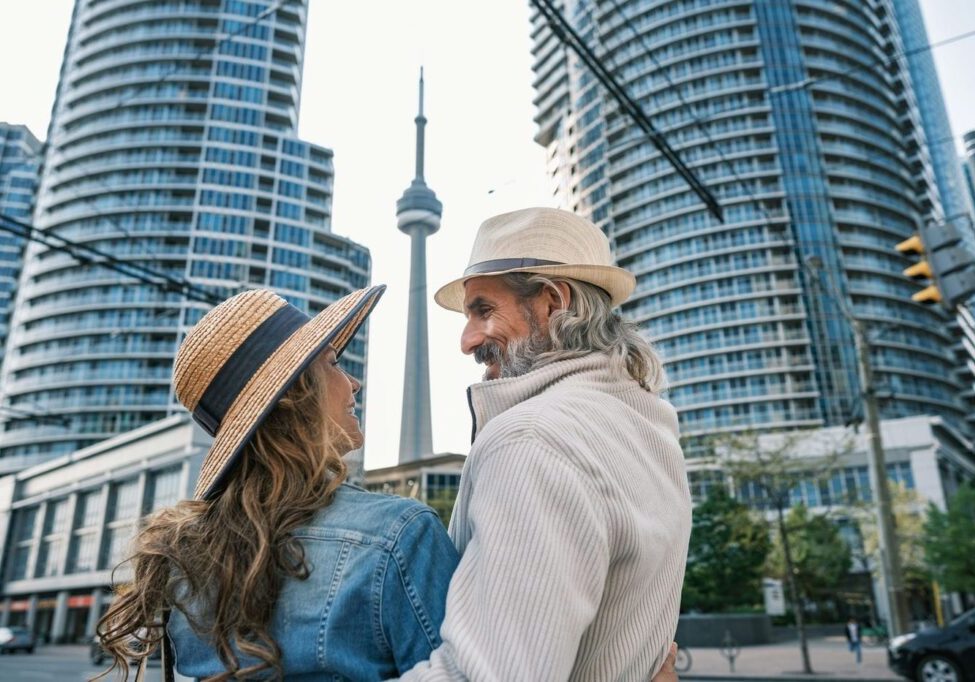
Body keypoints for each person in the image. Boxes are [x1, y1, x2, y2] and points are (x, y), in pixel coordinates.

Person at [96, 285, 461, 680]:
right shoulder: (398, 536)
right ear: (297, 395)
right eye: (334, 364)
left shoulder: (184, 560)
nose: (353, 383)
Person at [396, 207, 692, 680]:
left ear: (552, 303)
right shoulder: (651, 428)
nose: (467, 341)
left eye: (483, 310)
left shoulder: (533, 439)